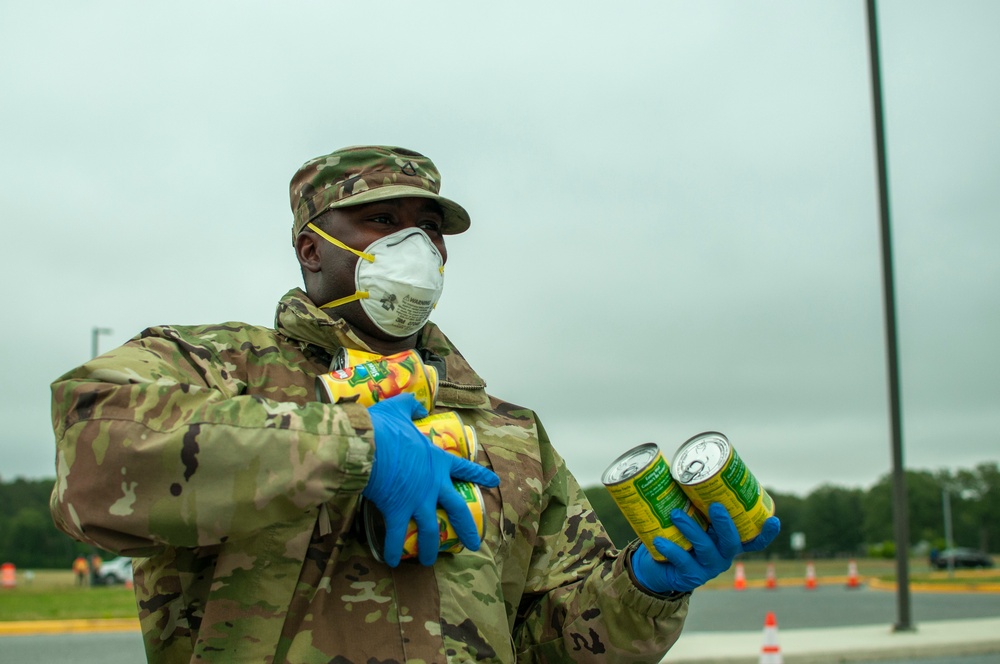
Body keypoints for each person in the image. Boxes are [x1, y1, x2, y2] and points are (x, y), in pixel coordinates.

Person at [49, 145, 779, 663]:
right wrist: (352, 446)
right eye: (380, 221)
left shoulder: (509, 434)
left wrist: (643, 590)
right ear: (311, 250)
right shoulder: (221, 367)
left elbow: (550, 643)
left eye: (428, 228)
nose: (416, 246)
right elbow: (92, 450)